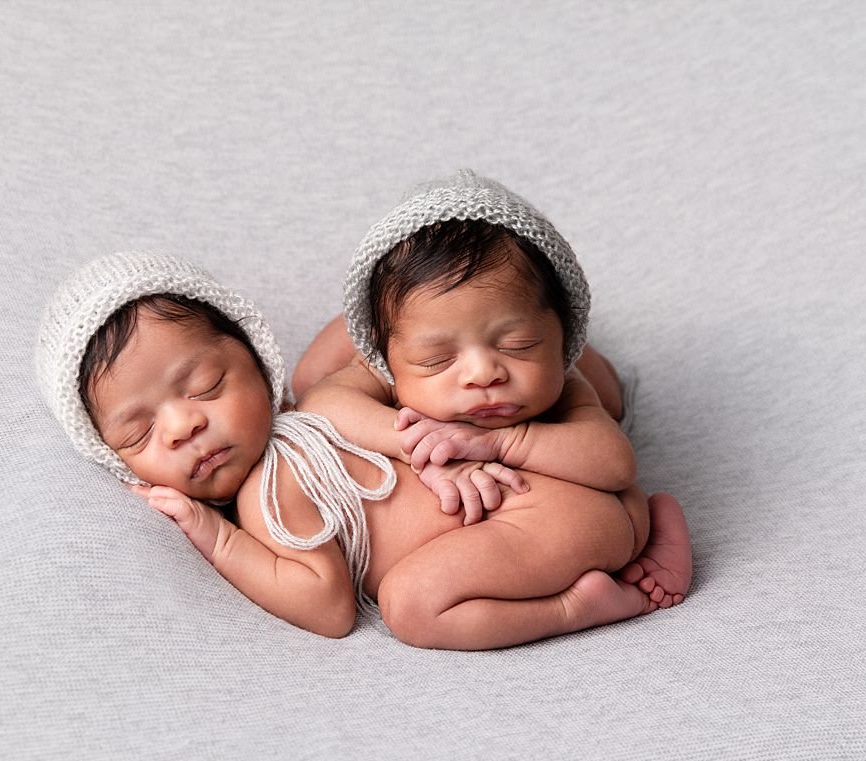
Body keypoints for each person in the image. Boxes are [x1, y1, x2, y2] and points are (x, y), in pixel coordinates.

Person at [295, 169, 692, 638]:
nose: (483, 374)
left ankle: (577, 605)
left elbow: (614, 464)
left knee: (411, 605)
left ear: (564, 339)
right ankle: (648, 530)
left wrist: (503, 443)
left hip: (565, 518)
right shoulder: (385, 369)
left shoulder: (566, 382)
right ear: (384, 359)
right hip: (551, 525)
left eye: (519, 345)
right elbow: (319, 401)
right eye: (437, 358)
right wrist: (413, 444)